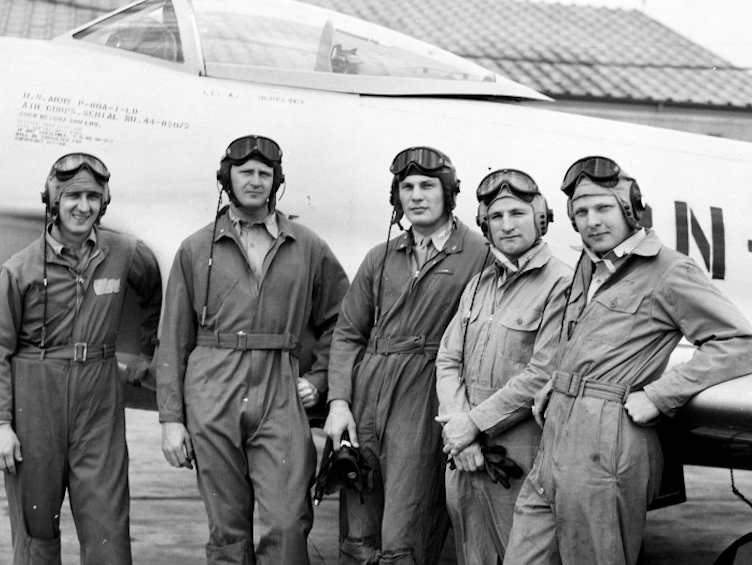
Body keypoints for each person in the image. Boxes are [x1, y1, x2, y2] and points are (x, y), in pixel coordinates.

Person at [503, 156, 752, 565]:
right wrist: (557, 382)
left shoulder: (669, 270)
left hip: (609, 442)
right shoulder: (588, 266)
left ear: (630, 210)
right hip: (557, 439)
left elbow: (738, 342)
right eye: (581, 212)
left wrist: (661, 394)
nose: (591, 221)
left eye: (603, 208)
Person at [155, 134, 349, 565]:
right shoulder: (195, 248)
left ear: (277, 182)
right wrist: (171, 419)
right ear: (227, 178)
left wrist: (318, 380)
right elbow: (172, 338)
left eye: (265, 174)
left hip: (280, 388)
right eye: (246, 172)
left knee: (287, 521)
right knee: (227, 526)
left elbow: (343, 321)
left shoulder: (308, 247)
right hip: (212, 389)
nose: (255, 181)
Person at [0, 153, 163, 565]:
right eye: (73, 196)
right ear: (53, 200)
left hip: (99, 397)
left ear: (105, 201)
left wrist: (149, 357)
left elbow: (155, 293)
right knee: (36, 532)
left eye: (93, 197)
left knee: (108, 531)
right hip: (35, 398)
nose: (84, 206)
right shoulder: (18, 270)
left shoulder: (124, 252)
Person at [323, 146, 491, 565]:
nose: (415, 195)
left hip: (426, 395)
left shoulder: (479, 254)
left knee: (408, 524)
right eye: (406, 186)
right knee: (358, 525)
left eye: (427, 186)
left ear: (449, 192)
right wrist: (339, 402)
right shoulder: (380, 256)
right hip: (367, 398)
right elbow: (347, 334)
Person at [434, 169, 571, 565]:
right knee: (472, 557)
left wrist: (472, 425)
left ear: (540, 219)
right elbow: (448, 359)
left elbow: (543, 372)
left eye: (518, 213)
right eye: (496, 217)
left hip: (518, 457)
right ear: (484, 226)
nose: (507, 225)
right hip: (464, 453)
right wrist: (461, 429)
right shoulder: (478, 285)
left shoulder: (562, 283)